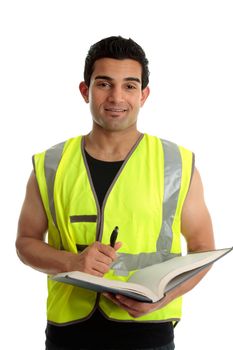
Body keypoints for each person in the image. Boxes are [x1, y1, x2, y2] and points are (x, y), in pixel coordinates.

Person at [16, 36, 215, 350]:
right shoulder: (50, 164)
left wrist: (167, 297)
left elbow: (203, 249)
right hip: (69, 335)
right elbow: (25, 242)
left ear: (144, 95)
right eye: (104, 84)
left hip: (149, 331)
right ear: (85, 90)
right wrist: (70, 262)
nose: (116, 97)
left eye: (130, 86)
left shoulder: (176, 163)